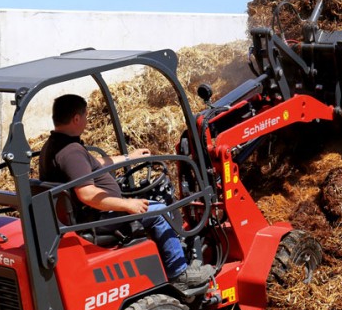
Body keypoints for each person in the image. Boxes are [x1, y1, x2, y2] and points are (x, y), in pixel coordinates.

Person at [39, 94, 214, 290]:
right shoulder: (71, 152)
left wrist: (128, 157)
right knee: (159, 210)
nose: (87, 121)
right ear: (76, 119)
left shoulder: (54, 146)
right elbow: (87, 194)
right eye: (86, 116)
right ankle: (179, 272)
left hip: (85, 216)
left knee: (149, 205)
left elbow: (95, 166)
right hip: (96, 219)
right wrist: (127, 204)